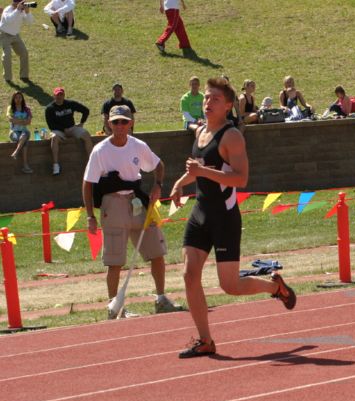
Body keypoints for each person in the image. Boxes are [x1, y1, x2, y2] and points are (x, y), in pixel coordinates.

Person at [169, 77, 296, 358]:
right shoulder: (200, 131)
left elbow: (241, 177)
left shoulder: (232, 136)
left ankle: (274, 286)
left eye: (215, 99)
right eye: (205, 98)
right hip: (200, 212)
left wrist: (202, 173)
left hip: (224, 217)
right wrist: (181, 182)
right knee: (190, 275)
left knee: (230, 286)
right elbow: (198, 169)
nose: (207, 103)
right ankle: (205, 340)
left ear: (228, 105)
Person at [81, 105, 183, 319]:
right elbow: (88, 183)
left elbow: (159, 165)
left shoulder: (138, 145)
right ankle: (115, 308)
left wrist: (158, 184)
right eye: (115, 122)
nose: (120, 126)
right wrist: (90, 215)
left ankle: (161, 299)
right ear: (109, 124)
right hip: (112, 204)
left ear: (131, 123)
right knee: (115, 260)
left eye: (124, 121)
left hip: (137, 202)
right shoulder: (100, 151)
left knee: (156, 251)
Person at [45, 86, 92, 176]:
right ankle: (56, 165)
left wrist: (81, 123)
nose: (59, 97)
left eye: (61, 95)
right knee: (54, 138)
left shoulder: (70, 104)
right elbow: (51, 125)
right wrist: (63, 130)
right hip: (58, 130)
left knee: (86, 134)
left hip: (72, 128)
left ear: (64, 95)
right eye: (57, 95)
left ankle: (91, 162)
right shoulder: (49, 109)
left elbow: (85, 110)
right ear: (54, 96)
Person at [0, 0, 33, 83]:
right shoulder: (8, 9)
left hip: (15, 35)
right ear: (14, 3)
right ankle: (7, 78)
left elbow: (30, 22)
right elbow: (9, 20)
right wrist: (17, 10)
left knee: (24, 53)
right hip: (4, 35)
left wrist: (28, 12)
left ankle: (24, 76)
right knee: (7, 55)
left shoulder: (22, 11)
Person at [7, 89, 32, 173]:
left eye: (19, 97)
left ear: (22, 98)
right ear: (13, 99)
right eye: (16, 97)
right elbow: (11, 120)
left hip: (24, 131)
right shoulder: (10, 108)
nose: (18, 99)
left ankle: (16, 152)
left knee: (25, 134)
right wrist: (22, 121)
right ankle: (25, 165)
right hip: (14, 132)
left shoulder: (27, 109)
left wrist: (17, 120)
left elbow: (29, 122)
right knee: (24, 142)